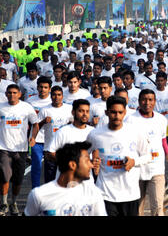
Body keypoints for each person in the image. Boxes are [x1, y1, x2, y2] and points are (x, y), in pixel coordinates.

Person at [87, 96, 152, 216]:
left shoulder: (135, 132)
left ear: (125, 113)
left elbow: (148, 156)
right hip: (105, 193)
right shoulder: (95, 134)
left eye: (120, 112)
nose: (117, 116)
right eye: (113, 112)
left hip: (130, 194)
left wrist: (134, 162)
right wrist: (91, 162)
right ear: (106, 112)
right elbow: (83, 156)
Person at [24, 141, 107, 216]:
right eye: (87, 161)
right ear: (72, 165)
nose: (91, 165)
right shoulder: (39, 195)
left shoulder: (94, 194)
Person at [126, 89, 168, 216]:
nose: (147, 103)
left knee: (158, 207)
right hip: (136, 169)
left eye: (150, 100)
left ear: (155, 101)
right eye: (144, 100)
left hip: (156, 168)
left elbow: (163, 139)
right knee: (136, 209)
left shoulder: (161, 119)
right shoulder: (130, 120)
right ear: (139, 101)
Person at [0, 84, 39, 216]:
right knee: (5, 176)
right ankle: (4, 203)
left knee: (17, 180)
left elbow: (35, 123)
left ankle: (14, 202)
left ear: (20, 94)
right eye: (9, 93)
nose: (12, 95)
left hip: (21, 149)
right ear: (6, 94)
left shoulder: (26, 107)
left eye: (14, 93)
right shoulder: (1, 107)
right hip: (3, 148)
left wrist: (33, 137)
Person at [32, 86, 72, 183]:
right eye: (54, 95)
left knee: (66, 179)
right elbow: (37, 126)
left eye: (59, 95)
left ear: (62, 96)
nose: (56, 97)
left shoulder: (70, 109)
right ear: (51, 96)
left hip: (66, 149)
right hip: (50, 149)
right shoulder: (45, 110)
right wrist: (43, 122)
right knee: (50, 179)